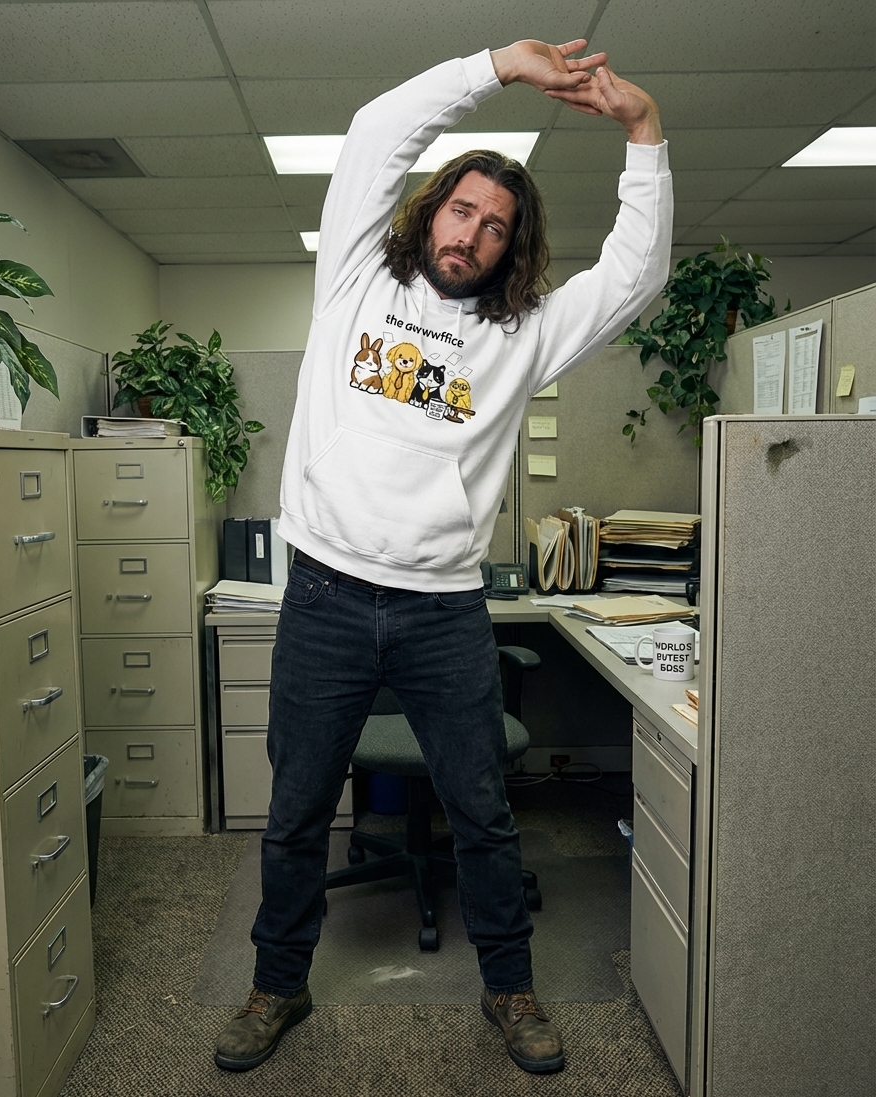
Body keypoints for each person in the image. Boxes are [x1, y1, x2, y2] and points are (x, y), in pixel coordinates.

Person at [214, 36, 672, 1076]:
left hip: (441, 609)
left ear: (512, 248)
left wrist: (643, 133)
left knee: (483, 814)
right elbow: (377, 131)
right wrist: (497, 67)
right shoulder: (352, 276)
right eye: (462, 210)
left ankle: (509, 988)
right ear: (432, 212)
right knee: (296, 812)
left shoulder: (525, 336)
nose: (472, 232)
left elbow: (634, 275)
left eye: (496, 225)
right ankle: (277, 984)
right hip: (326, 593)